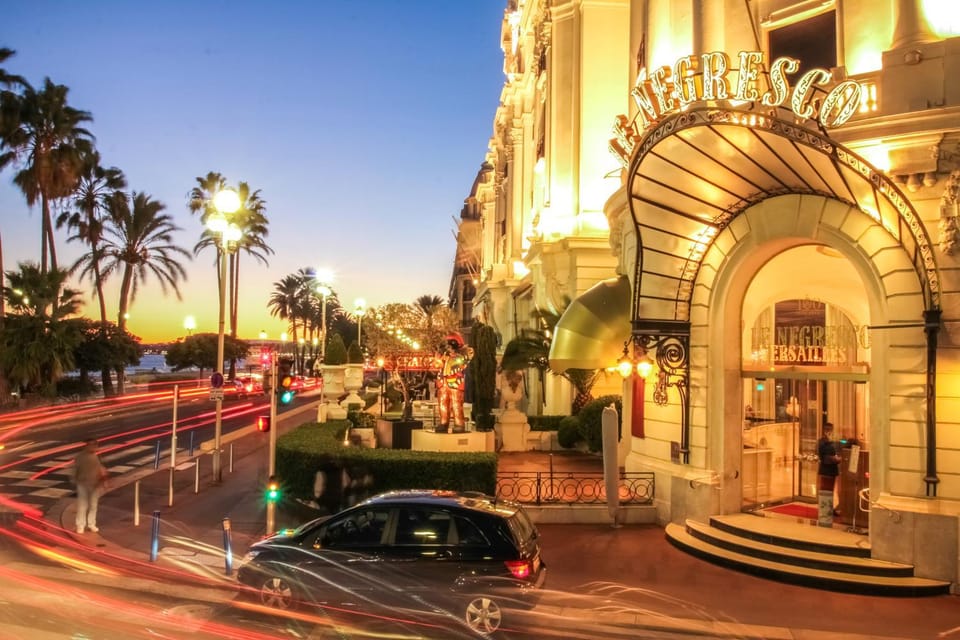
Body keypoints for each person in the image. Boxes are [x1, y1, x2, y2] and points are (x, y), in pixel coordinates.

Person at [435, 332, 473, 433]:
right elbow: (437, 365)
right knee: (443, 403)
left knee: (457, 404)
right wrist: (439, 358)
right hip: (443, 383)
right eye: (447, 346)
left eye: (450, 345)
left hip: (455, 383)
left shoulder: (461, 357)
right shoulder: (443, 356)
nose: (449, 348)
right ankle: (443, 423)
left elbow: (462, 363)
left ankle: (459, 424)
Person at [72, 438, 108, 534]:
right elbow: (74, 470)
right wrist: (75, 481)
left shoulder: (97, 456)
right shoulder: (80, 457)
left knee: (93, 506)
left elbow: (101, 469)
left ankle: (91, 524)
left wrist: (103, 481)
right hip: (83, 484)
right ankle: (80, 525)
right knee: (82, 506)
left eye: (95, 445)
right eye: (91, 445)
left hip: (95, 484)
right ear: (86, 446)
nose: (93, 447)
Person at [817, 422, 842, 526]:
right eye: (827, 429)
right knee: (825, 490)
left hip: (832, 470)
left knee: (831, 491)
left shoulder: (831, 441)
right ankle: (825, 512)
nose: (829, 431)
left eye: (830, 429)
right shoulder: (822, 442)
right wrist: (836, 459)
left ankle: (830, 509)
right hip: (826, 470)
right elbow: (825, 457)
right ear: (823, 429)